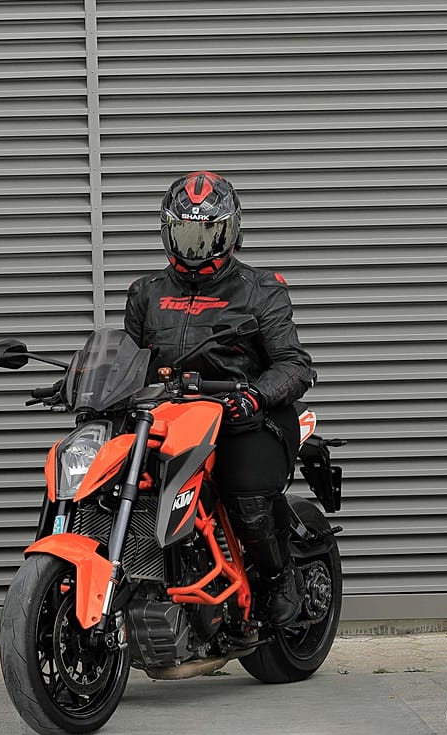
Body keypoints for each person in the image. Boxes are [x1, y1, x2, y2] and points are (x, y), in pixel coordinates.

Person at [123, 171, 317, 627]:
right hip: (172, 421)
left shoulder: (260, 289)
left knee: (244, 494)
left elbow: (294, 364)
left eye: (205, 234)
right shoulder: (146, 292)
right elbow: (128, 362)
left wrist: (254, 395)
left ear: (230, 231)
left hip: (245, 419)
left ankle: (279, 578)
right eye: (185, 233)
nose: (194, 248)